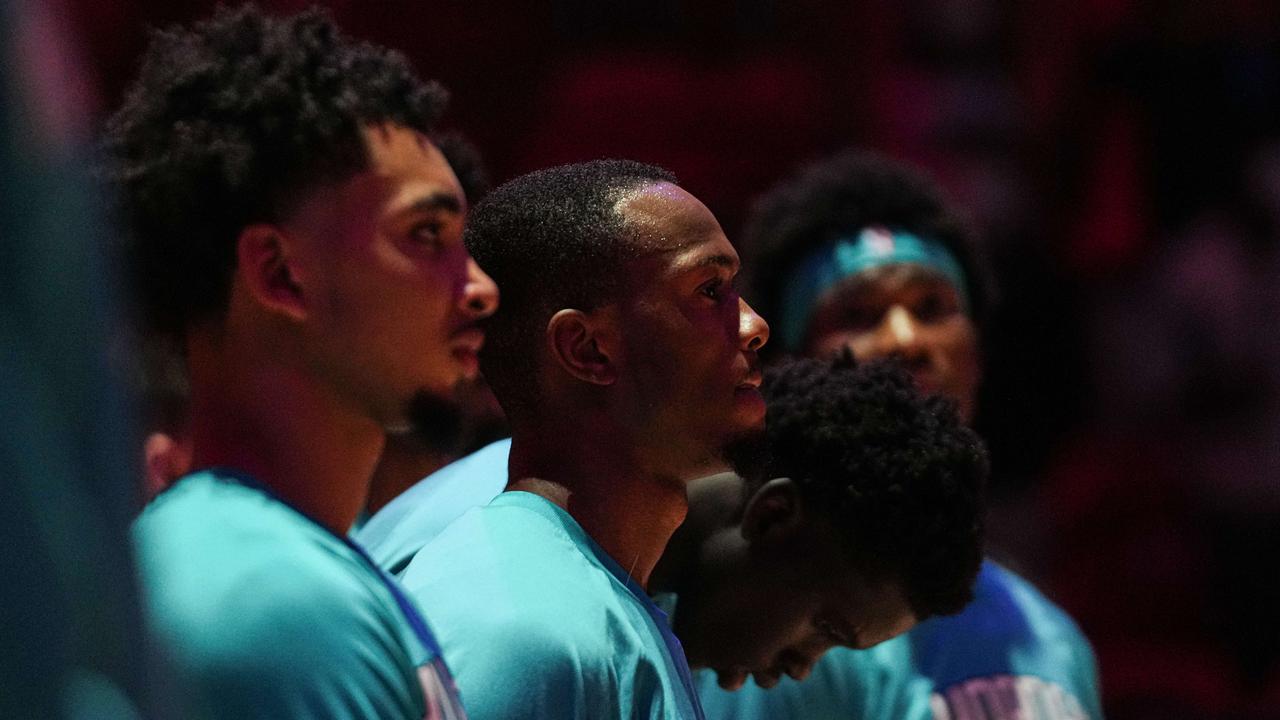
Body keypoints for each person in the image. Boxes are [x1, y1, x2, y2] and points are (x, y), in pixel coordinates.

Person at [104, 6, 497, 718]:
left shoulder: (306, 561)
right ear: (281, 274)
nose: (481, 289)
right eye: (427, 234)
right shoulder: (268, 600)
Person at [696, 150, 1102, 719]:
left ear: (977, 354)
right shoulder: (771, 629)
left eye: (932, 306)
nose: (905, 338)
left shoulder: (1053, 638)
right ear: (790, 362)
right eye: (859, 315)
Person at [358, 353, 989, 690]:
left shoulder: (614, 566)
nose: (800, 668)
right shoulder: (518, 580)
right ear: (773, 516)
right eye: (824, 629)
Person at [394, 159, 768, 719]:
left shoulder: (587, 598)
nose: (753, 324)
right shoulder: (520, 626)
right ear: (587, 350)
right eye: (709, 289)